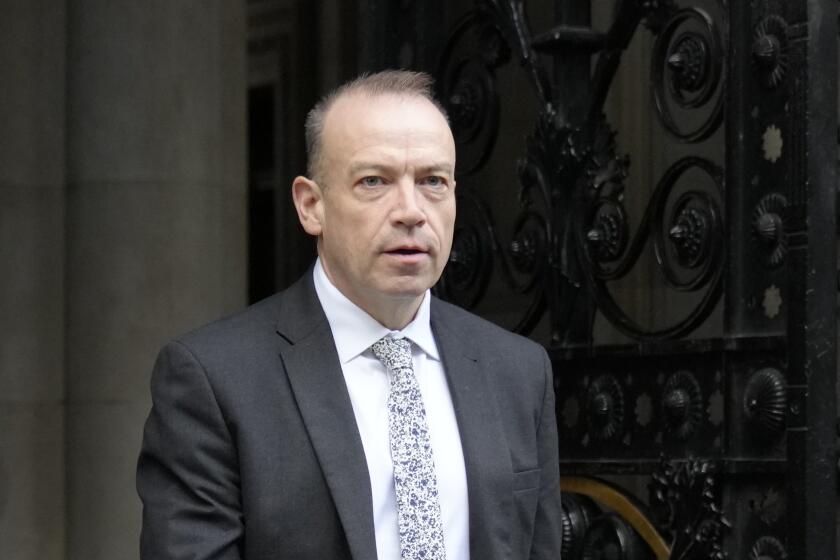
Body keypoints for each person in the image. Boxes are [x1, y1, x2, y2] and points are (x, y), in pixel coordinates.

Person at [137, 70, 562, 560]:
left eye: (432, 182)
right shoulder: (213, 380)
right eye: (374, 181)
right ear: (311, 205)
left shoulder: (519, 372)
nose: (411, 211)